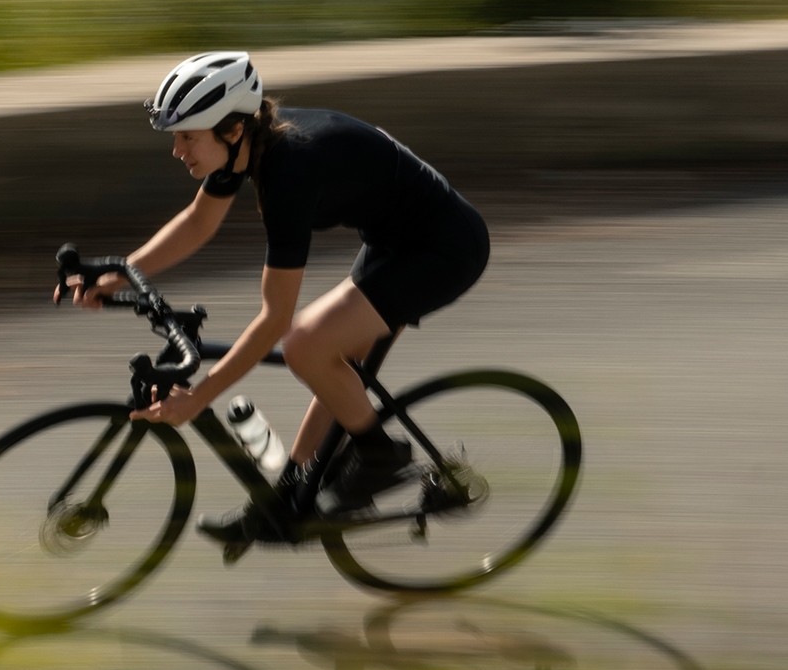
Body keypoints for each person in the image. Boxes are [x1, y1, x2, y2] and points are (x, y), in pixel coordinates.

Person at [57, 50, 492, 540]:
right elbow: (198, 223)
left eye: (186, 137)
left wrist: (199, 397)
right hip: (396, 242)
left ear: (232, 129)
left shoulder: (289, 171)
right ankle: (285, 504)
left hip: (445, 250)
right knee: (328, 359)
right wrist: (119, 275)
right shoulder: (244, 143)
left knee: (306, 343)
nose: (177, 150)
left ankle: (380, 457)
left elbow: (273, 319)